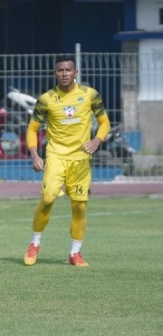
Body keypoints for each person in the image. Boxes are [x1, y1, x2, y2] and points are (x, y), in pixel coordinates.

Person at [23, 55, 111, 267]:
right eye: (60, 70)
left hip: (81, 158)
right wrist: (35, 154)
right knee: (48, 199)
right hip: (56, 156)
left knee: (79, 207)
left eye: (68, 70)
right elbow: (32, 128)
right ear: (55, 73)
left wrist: (96, 141)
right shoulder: (46, 99)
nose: (64, 74)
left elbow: (104, 122)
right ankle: (34, 243)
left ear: (75, 73)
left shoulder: (90, 95)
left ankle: (75, 253)